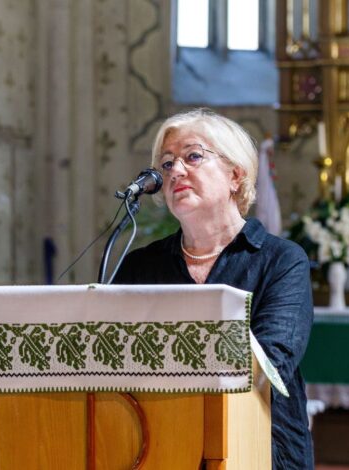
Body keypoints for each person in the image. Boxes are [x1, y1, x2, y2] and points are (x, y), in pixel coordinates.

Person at [114, 108, 314, 469]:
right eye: (167, 164)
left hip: (261, 445)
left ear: (235, 175)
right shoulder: (140, 267)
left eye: (192, 156)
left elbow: (273, 363)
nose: (175, 171)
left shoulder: (281, 261)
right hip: (156, 446)